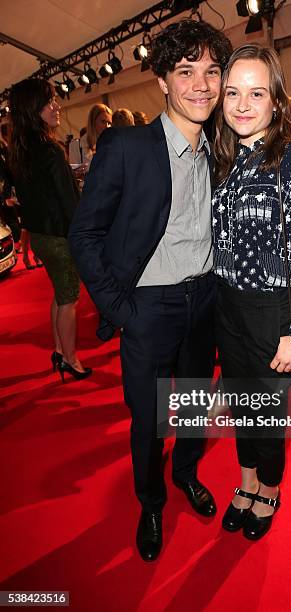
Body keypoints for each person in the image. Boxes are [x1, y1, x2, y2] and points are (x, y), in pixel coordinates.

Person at [69, 19, 232, 561]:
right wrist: (121, 308)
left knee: (190, 408)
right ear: (163, 79)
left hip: (203, 301)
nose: (202, 85)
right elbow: (84, 233)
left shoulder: (221, 150)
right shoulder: (127, 147)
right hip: (148, 307)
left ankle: (185, 475)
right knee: (148, 418)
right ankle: (150, 500)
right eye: (186, 72)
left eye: (211, 72)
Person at [212, 44, 291, 541]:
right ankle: (245, 482)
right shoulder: (225, 161)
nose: (242, 104)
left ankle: (270, 488)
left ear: (276, 101)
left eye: (256, 93)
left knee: (266, 408)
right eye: (233, 92)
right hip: (228, 304)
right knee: (242, 402)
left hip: (270, 310)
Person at [8, 78, 91, 380]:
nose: (56, 107)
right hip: (60, 237)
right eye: (49, 102)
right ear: (34, 109)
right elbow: (69, 205)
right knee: (69, 298)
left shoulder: (21, 148)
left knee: (60, 294)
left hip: (42, 237)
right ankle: (70, 359)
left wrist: (68, 175)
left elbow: (40, 192)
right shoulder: (49, 150)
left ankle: (59, 351)